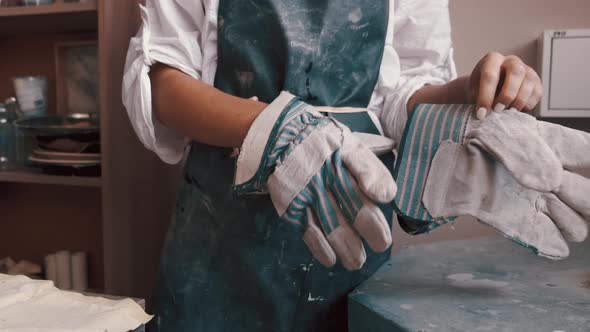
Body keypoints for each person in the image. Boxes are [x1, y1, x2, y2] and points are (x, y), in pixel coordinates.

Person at [122, 0, 543, 330]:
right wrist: (277, 130)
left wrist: (473, 97)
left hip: (349, 212)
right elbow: (164, 80)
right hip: (223, 230)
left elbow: (401, 91)